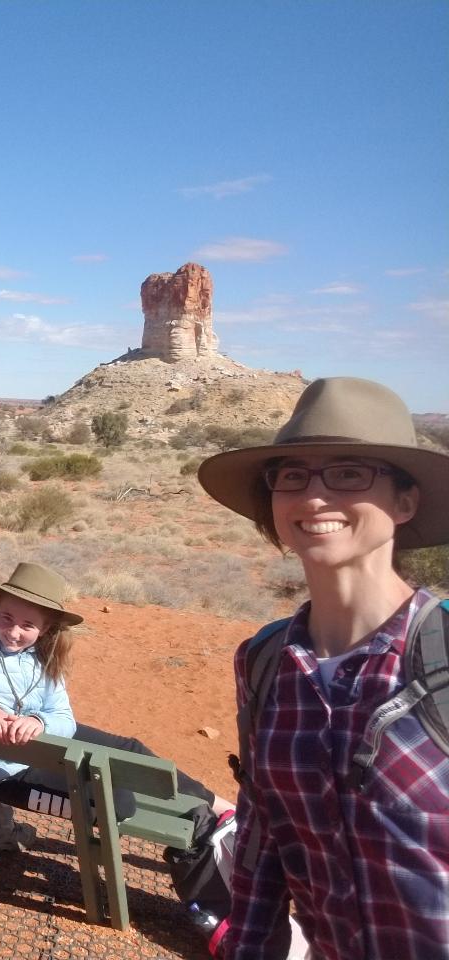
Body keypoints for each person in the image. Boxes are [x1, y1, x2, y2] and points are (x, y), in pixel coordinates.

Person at [198, 376, 449, 960]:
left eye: (347, 473)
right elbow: (262, 840)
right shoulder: (264, 663)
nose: (314, 497)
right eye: (293, 476)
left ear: (405, 502)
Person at [0, 561, 234, 854]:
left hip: (44, 745)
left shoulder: (43, 656)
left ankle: (220, 807)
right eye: (7, 618)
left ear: (45, 629)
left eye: (28, 625)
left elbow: (64, 718)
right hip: (5, 777)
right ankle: (199, 821)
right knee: (119, 804)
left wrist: (40, 722)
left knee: (131, 749)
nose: (14, 632)